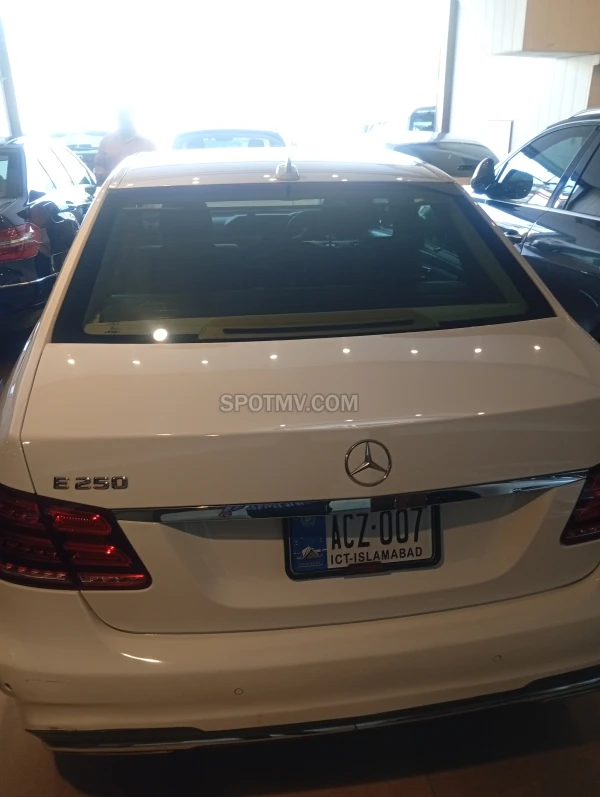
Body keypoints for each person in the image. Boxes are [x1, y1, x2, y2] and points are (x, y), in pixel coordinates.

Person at [94, 109, 156, 185]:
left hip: (139, 187)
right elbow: (99, 165)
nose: (124, 120)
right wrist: (102, 176)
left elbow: (155, 169)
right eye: (121, 117)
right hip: (110, 187)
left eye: (127, 117)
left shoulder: (147, 143)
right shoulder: (107, 140)